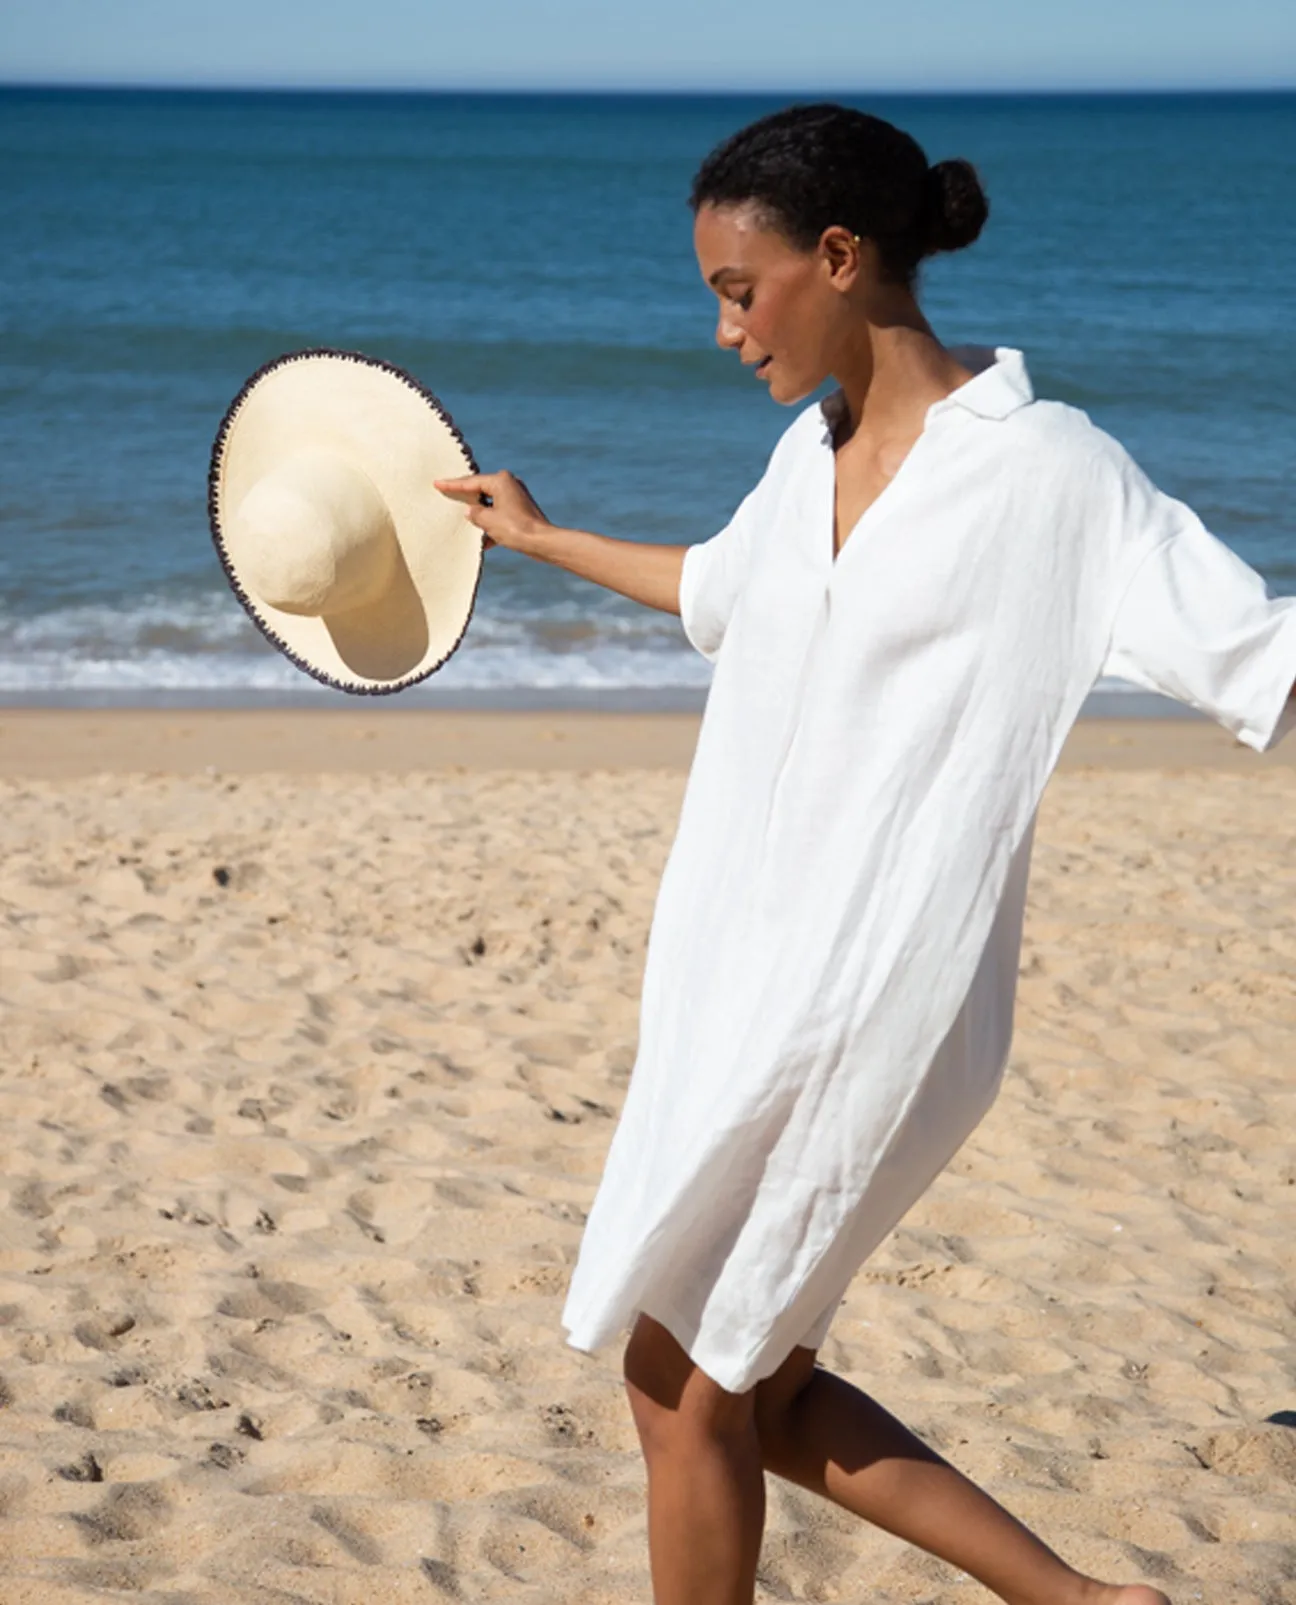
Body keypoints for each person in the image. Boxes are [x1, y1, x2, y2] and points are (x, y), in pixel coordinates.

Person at [435, 103, 1296, 1605]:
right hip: (728, 982)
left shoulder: (1055, 477)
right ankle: (1090, 1603)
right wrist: (541, 539)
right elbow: (715, 592)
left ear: (839, 258)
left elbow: (1260, 657)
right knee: (747, 1390)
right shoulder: (801, 456)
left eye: (736, 288)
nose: (721, 329)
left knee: (680, 1382)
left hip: (871, 999)